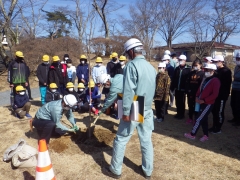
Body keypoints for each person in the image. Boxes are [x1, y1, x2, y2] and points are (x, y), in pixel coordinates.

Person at [107, 38, 156, 179]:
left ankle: (115, 170)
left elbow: (129, 91)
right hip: (147, 106)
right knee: (146, 140)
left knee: (121, 139)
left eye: (128, 53)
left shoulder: (131, 66)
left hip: (135, 104)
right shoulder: (151, 67)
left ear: (131, 51)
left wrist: (126, 112)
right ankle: (148, 171)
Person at [184, 63, 220, 142]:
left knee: (198, 118)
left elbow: (215, 94)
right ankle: (206, 135)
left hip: (208, 103)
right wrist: (197, 97)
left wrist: (204, 100)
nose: (206, 71)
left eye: (208, 70)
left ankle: (192, 134)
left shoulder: (216, 81)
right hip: (200, 101)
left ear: (213, 71)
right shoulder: (205, 78)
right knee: (204, 119)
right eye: (205, 69)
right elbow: (200, 89)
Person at [210, 55, 232, 134]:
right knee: (214, 111)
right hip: (215, 95)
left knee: (219, 111)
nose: (215, 63)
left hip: (222, 95)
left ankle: (218, 128)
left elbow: (225, 84)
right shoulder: (217, 70)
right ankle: (214, 126)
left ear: (221, 61)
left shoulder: (226, 71)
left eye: (216, 61)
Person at [170, 55, 191, 119]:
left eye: (181, 60)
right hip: (177, 88)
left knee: (182, 102)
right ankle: (178, 113)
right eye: (179, 60)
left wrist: (187, 89)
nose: (180, 61)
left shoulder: (188, 69)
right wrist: (172, 87)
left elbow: (189, 80)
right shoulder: (177, 68)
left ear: (185, 60)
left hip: (183, 89)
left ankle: (182, 114)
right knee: (177, 101)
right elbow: (174, 78)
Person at [185, 59, 204, 124]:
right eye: (194, 65)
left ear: (200, 65)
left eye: (196, 65)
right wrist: (188, 90)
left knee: (197, 107)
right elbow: (187, 82)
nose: (195, 66)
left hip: (198, 94)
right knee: (190, 106)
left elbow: (202, 84)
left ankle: (196, 119)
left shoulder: (202, 74)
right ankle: (190, 118)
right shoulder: (191, 73)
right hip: (190, 93)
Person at [229, 52, 240, 126]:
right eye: (237, 58)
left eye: (239, 59)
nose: (237, 60)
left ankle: (238, 121)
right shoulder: (236, 67)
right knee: (232, 104)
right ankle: (235, 118)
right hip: (234, 87)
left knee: (238, 105)